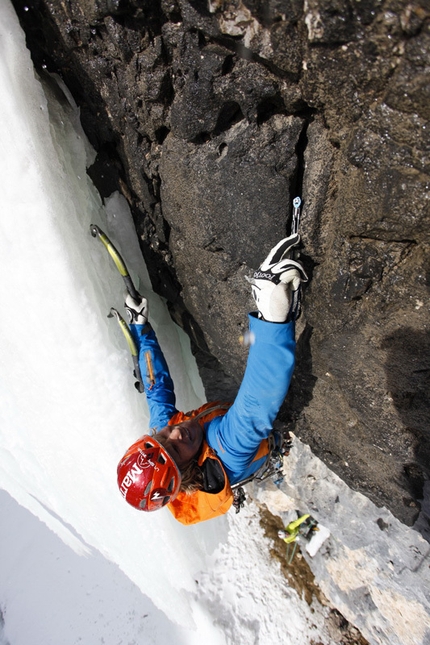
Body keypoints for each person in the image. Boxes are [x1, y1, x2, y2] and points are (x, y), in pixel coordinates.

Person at [117, 235, 307, 525]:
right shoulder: (225, 451)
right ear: (188, 470)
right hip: (259, 431)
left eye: (163, 437)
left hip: (217, 413)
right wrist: (271, 317)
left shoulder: (167, 438)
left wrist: (140, 328)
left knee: (204, 367)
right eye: (176, 449)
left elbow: (156, 389)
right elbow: (255, 406)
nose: (175, 433)